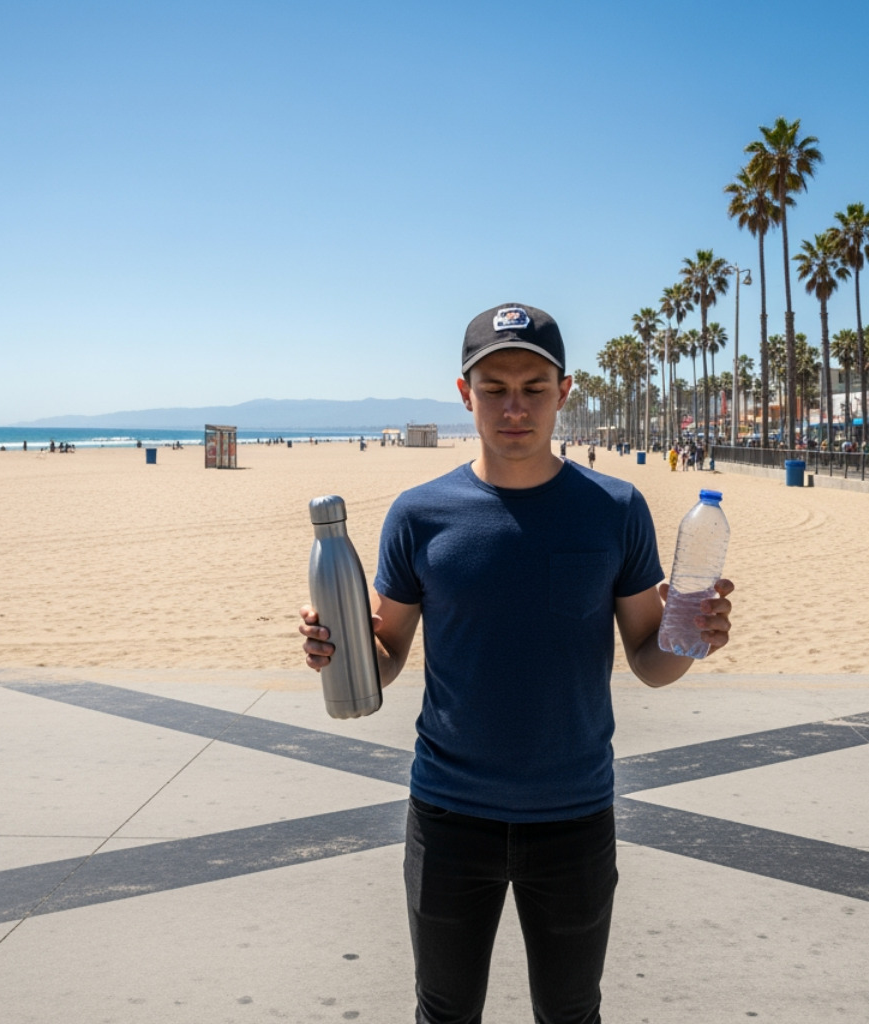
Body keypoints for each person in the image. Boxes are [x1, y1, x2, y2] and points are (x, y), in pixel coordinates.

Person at [298, 303, 735, 1024]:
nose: (514, 406)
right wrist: (335, 650)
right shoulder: (420, 514)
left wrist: (695, 640)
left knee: (571, 1014)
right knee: (443, 1013)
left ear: (565, 392)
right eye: (494, 387)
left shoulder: (615, 509)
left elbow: (650, 662)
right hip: (447, 814)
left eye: (533, 386)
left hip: (574, 814)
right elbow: (387, 653)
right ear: (465, 394)